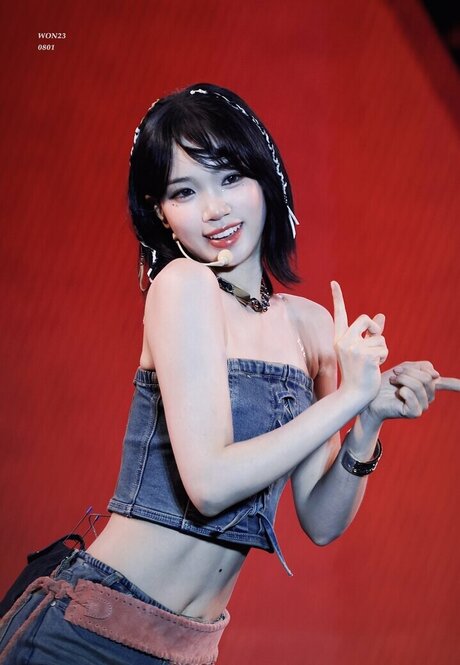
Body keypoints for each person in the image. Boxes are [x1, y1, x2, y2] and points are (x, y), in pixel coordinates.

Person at [0, 83, 456, 665]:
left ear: (266, 181)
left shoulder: (311, 326)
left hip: (189, 649)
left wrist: (366, 421)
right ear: (161, 214)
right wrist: (346, 399)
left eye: (230, 177)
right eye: (184, 191)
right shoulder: (183, 286)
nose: (214, 209)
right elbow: (210, 484)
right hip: (89, 636)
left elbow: (321, 522)